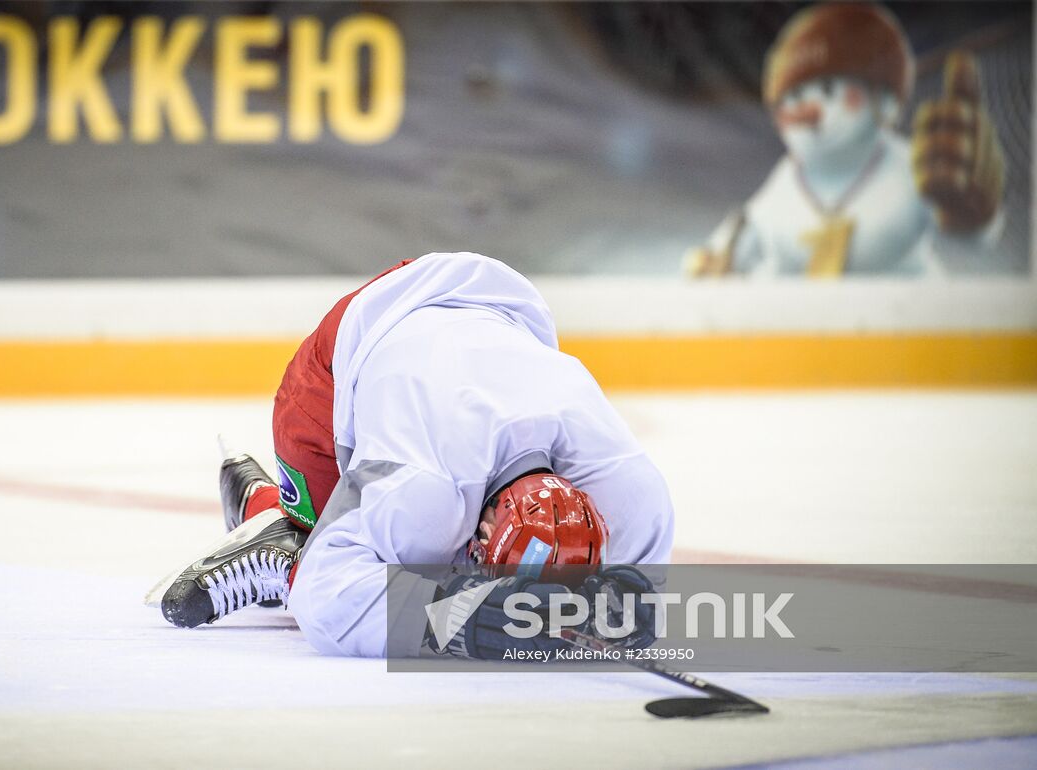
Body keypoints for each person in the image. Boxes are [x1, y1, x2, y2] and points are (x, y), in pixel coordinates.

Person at [155, 252, 675, 658]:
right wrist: (459, 620)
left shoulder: (631, 497)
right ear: (485, 527)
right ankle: (278, 532)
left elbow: (637, 591)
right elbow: (327, 599)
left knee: (428, 560)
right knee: (408, 556)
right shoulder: (425, 492)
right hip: (341, 362)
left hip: (480, 308)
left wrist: (626, 605)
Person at [683, 2, 1005, 278]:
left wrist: (972, 213)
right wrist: (713, 260)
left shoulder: (914, 166)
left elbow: (971, 239)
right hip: (807, 337)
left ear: (885, 100)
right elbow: (746, 231)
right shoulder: (788, 179)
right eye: (791, 98)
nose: (804, 111)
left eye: (828, 91)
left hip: (902, 333)